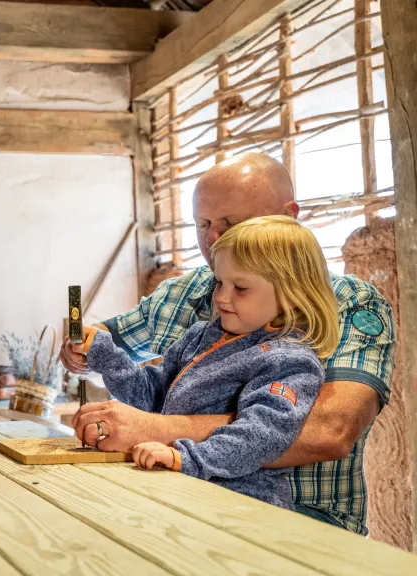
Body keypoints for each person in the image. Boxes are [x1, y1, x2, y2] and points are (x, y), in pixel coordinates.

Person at [62, 153, 395, 534]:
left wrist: (160, 434)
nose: (215, 237)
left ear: (288, 216)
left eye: (232, 223)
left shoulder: (337, 316)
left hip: (287, 515)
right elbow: (120, 357)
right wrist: (88, 347)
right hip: (182, 491)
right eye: (203, 223)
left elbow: (325, 433)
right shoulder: (200, 318)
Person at [80, 216, 337, 508]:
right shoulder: (201, 337)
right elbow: (149, 396)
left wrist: (188, 458)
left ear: (292, 295)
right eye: (219, 282)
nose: (222, 297)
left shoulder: (289, 361)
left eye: (240, 288)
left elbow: (262, 434)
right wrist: (106, 356)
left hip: (241, 507)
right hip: (183, 493)